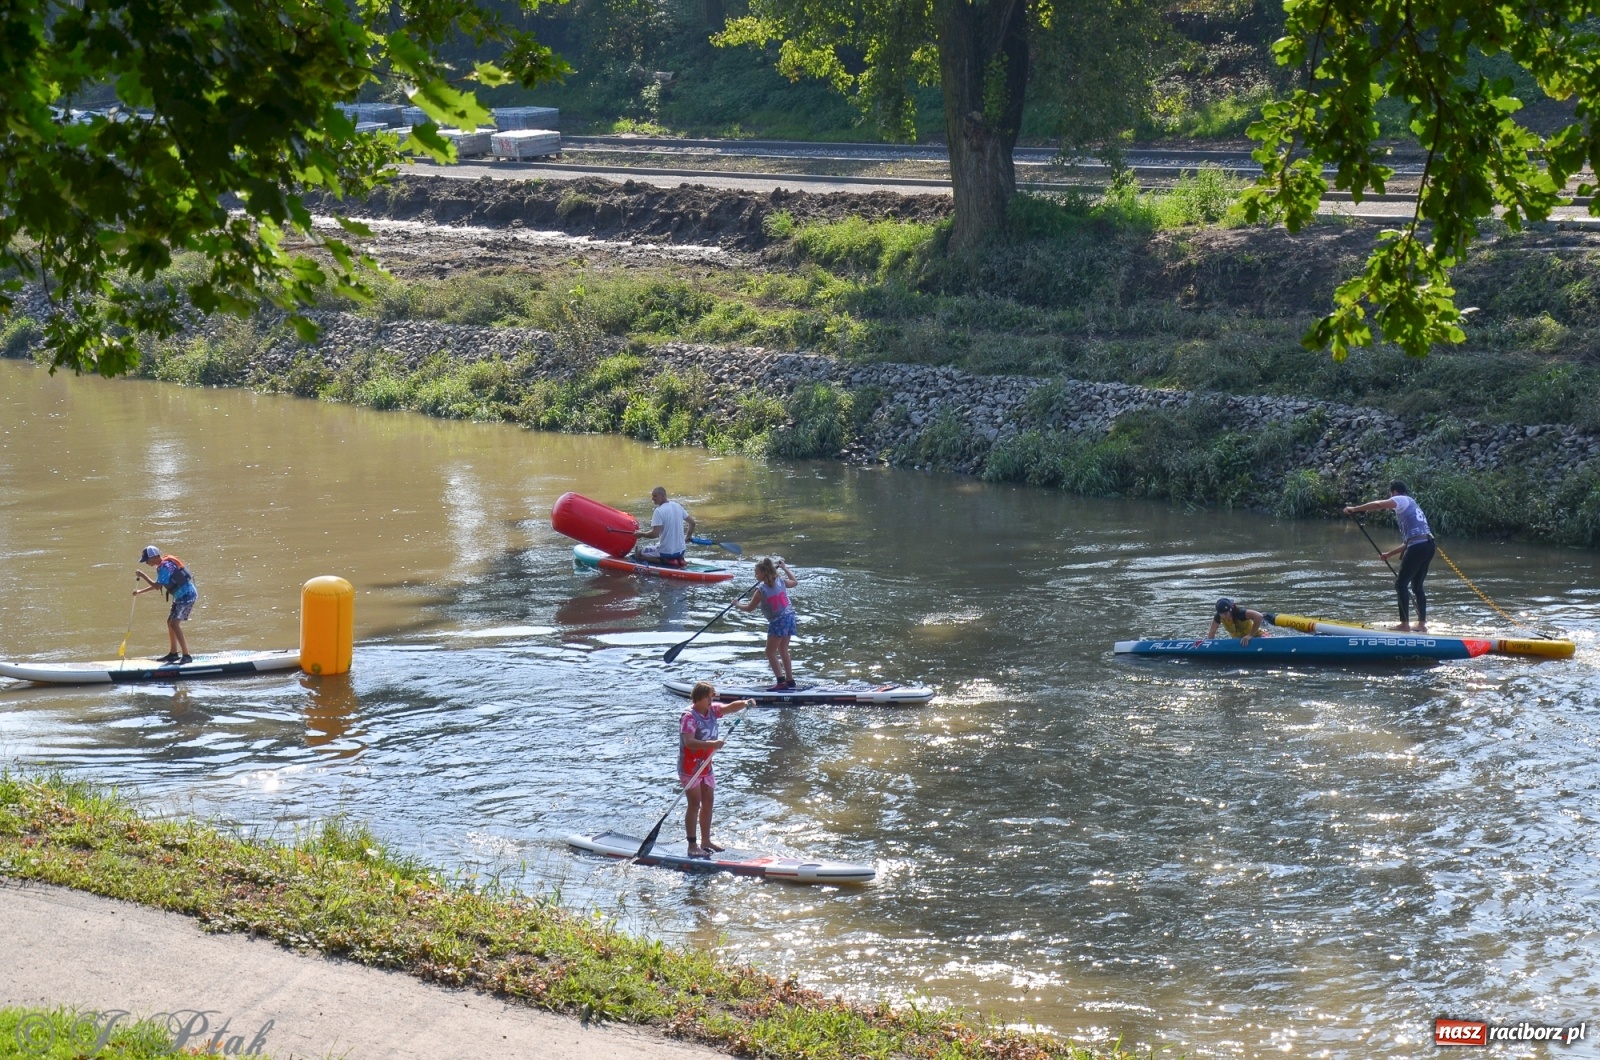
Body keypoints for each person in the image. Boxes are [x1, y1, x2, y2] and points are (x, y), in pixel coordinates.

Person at [1345, 480, 1436, 632]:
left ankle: (1404, 625)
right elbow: (1409, 542)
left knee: (1400, 584)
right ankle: (1421, 625)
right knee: (1417, 587)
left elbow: (1379, 504)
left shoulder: (1401, 499)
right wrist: (1389, 554)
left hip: (1418, 547)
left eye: (1391, 495)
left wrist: (1355, 509)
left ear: (1394, 492)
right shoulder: (1413, 505)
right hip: (1428, 545)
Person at [679, 681, 754, 857]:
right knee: (694, 804)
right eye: (709, 697)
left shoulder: (712, 710)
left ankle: (706, 841)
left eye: (712, 697)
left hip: (706, 766)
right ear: (698, 698)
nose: (712, 700)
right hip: (690, 767)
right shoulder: (689, 717)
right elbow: (688, 742)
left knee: (708, 801)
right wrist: (712, 744)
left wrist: (745, 703)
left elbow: (729, 708)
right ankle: (692, 845)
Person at [735, 557, 799, 690]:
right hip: (789, 617)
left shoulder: (761, 590)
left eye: (757, 573)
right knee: (783, 649)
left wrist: (736, 604)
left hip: (778, 621)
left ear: (764, 573)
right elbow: (794, 582)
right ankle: (790, 680)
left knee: (769, 652)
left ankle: (781, 682)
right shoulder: (780, 581)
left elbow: (749, 608)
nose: (755, 575)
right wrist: (785, 568)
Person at [134, 545, 197, 663]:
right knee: (170, 622)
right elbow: (158, 584)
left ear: (155, 557)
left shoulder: (164, 567)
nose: (146, 562)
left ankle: (186, 656)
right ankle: (173, 653)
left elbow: (157, 587)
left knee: (174, 624)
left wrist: (142, 576)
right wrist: (140, 592)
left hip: (187, 595)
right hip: (180, 596)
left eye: (147, 560)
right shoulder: (164, 565)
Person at [633, 486, 695, 568]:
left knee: (639, 553)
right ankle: (678, 559)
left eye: (655, 496)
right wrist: (688, 537)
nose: (652, 498)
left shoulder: (659, 511)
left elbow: (654, 534)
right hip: (681, 551)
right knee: (660, 545)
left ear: (663, 496)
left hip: (667, 553)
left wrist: (641, 534)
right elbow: (692, 523)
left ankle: (667, 561)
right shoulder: (677, 506)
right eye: (652, 496)